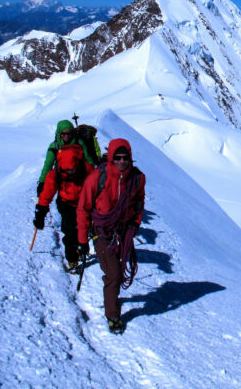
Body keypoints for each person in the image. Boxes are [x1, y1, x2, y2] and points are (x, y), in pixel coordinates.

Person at [76, 138, 146, 334]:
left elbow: (139, 202)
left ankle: (112, 299)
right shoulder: (97, 179)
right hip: (102, 231)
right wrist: (82, 240)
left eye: (125, 158)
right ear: (111, 158)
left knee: (115, 271)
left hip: (123, 231)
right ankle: (113, 315)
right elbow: (83, 209)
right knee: (114, 274)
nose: (122, 162)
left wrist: (135, 223)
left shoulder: (138, 178)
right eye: (118, 158)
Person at [33, 143, 94, 271]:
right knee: (70, 231)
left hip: (85, 204)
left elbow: (98, 188)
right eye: (67, 171)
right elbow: (46, 194)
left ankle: (82, 244)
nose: (69, 174)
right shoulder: (55, 174)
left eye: (72, 171)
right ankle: (72, 258)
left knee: (83, 227)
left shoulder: (87, 169)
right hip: (66, 204)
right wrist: (40, 213)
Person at [37, 120, 96, 195]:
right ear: (59, 134)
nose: (66, 136)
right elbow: (48, 165)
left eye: (69, 133)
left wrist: (93, 178)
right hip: (63, 180)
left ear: (73, 132)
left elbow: (88, 161)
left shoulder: (79, 143)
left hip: (79, 178)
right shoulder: (55, 146)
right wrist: (42, 182)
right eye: (63, 134)